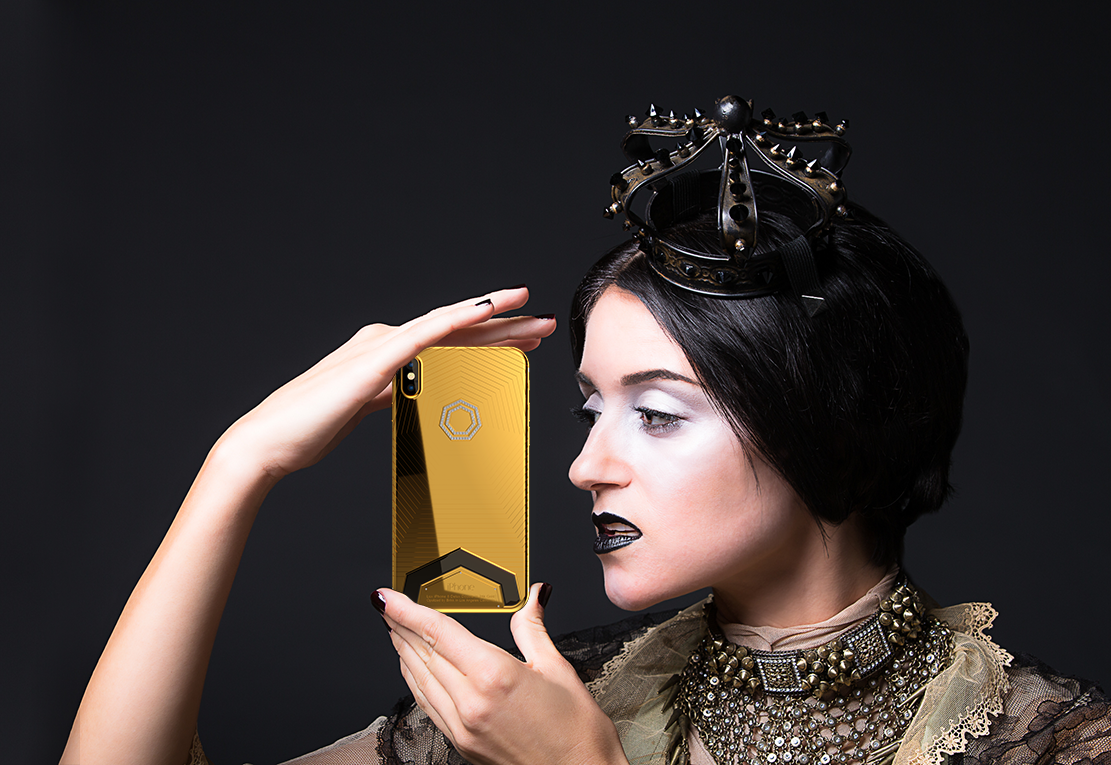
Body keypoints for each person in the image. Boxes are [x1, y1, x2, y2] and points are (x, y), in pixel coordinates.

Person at [59, 97, 1111, 765]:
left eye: (656, 413)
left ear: (830, 430)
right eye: (590, 409)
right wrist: (238, 464)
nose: (583, 467)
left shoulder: (1050, 740)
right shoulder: (537, 703)